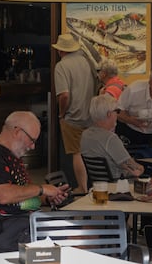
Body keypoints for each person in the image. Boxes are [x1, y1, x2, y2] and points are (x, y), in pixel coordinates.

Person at [0, 111, 70, 252]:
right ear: (17, 131)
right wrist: (42, 189)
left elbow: (22, 196)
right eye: (32, 140)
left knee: (87, 232)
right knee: (85, 237)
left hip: (23, 224)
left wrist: (48, 199)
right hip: (9, 231)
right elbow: (5, 195)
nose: (32, 147)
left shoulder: (10, 156)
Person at [52, 33, 96, 194]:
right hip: (90, 116)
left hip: (73, 116)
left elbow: (64, 95)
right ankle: (91, 185)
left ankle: (81, 187)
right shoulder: (86, 61)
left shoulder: (62, 66)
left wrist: (61, 114)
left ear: (60, 51)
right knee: (88, 152)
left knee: (76, 152)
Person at [81, 95, 144, 180]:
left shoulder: (85, 135)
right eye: (117, 111)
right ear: (109, 114)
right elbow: (135, 170)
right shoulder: (110, 138)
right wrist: (141, 167)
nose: (117, 115)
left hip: (96, 185)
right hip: (118, 185)